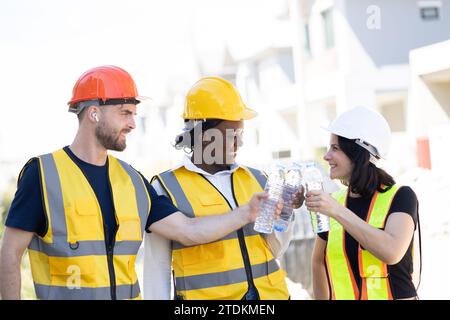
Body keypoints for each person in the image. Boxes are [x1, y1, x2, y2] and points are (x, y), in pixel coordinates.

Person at [0, 66, 279, 300]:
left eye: (134, 114)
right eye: (125, 113)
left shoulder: (133, 181)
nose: (133, 123)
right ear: (94, 112)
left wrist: (246, 213)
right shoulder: (44, 174)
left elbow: (188, 230)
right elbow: (10, 255)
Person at [144, 76, 304, 300]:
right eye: (232, 135)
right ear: (203, 135)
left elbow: (274, 249)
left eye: (241, 134)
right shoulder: (166, 187)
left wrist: (286, 213)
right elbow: (156, 267)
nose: (240, 143)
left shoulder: (256, 179)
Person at [307, 106, 420, 300]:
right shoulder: (335, 202)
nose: (326, 156)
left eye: (335, 148)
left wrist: (337, 211)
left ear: (358, 154)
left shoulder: (401, 196)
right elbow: (319, 262)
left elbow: (392, 251)